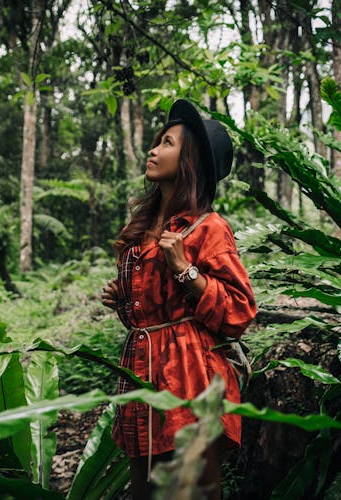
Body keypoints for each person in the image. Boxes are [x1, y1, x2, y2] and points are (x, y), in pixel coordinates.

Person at [101, 99, 257, 500]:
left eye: (166, 143)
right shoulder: (141, 229)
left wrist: (186, 270)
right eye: (157, 142)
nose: (154, 150)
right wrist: (123, 300)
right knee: (145, 491)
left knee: (192, 490)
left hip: (190, 377)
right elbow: (148, 316)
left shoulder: (210, 229)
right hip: (141, 372)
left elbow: (240, 311)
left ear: (189, 161)